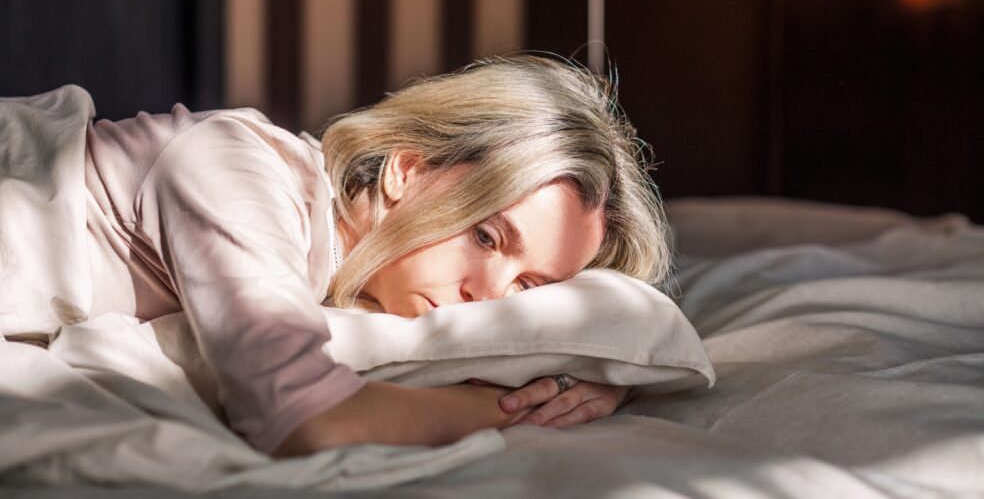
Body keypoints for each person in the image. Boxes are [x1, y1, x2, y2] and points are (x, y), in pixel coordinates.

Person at [6, 54, 672, 457]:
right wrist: (527, 407)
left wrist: (586, 375)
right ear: (407, 170)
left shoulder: (338, 276)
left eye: (529, 288)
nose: (489, 297)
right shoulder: (237, 170)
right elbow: (305, 421)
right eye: (487, 236)